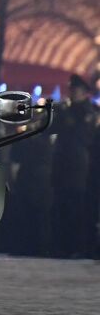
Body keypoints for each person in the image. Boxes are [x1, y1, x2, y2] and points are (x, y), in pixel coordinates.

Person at [49, 74, 99, 257]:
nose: (72, 93)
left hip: (78, 167)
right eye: (71, 89)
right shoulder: (65, 110)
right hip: (62, 166)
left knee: (76, 209)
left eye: (75, 90)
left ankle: (75, 247)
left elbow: (81, 135)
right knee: (60, 208)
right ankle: (61, 246)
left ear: (84, 92)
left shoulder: (88, 111)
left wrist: (65, 113)